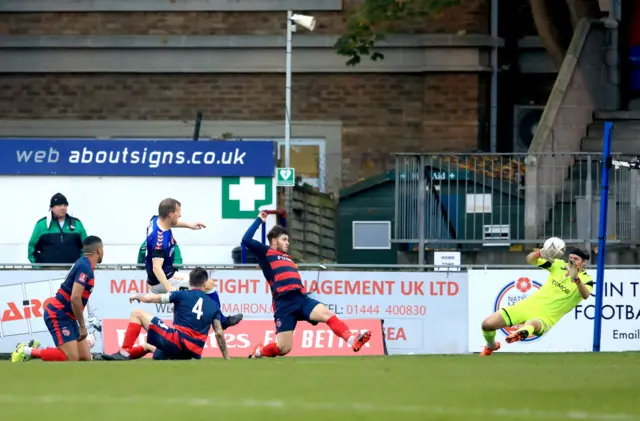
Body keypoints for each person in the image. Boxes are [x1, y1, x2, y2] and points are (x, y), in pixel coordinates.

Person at [243, 211, 371, 359]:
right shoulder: (266, 253)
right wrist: (260, 219)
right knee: (284, 348)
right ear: (274, 241)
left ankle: (352, 340)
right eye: (284, 239)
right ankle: (258, 352)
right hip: (284, 304)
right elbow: (246, 239)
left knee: (328, 314)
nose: (287, 242)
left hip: (301, 299)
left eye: (288, 240)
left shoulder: (288, 258)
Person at [479, 244, 594, 356]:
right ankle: (491, 346)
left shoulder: (586, 280)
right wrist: (540, 253)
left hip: (546, 317)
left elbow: (585, 295)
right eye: (571, 258)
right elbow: (530, 259)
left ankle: (521, 333)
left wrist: (576, 279)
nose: (572, 261)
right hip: (526, 306)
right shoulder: (558, 265)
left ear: (584, 262)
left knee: (532, 323)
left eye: (576, 259)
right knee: (487, 324)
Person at [144, 199, 243, 329]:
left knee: (181, 307)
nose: (180, 215)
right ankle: (222, 321)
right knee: (208, 284)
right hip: (162, 280)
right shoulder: (159, 240)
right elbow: (157, 268)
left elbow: (171, 223)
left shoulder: (156, 220)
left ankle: (180, 335)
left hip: (165, 275)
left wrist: (189, 225)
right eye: (178, 212)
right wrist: (169, 289)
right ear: (170, 214)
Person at [101, 267, 230, 361]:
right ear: (204, 283)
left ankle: (123, 353)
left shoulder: (181, 295)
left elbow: (152, 299)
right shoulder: (214, 305)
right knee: (149, 347)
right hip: (190, 353)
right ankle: (116, 356)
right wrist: (227, 357)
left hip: (176, 342)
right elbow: (219, 332)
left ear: (189, 282)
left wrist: (137, 296)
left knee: (137, 313)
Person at [12, 236, 104, 363]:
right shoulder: (85, 267)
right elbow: (75, 297)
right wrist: (83, 326)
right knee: (71, 358)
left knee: (85, 358)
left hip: (69, 317)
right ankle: (26, 350)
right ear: (99, 250)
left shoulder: (85, 264)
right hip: (58, 314)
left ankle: (37, 348)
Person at [28, 193, 88, 266]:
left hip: (73, 272)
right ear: (52, 208)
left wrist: (80, 265)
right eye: (59, 205)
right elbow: (31, 248)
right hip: (47, 271)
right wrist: (38, 268)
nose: (63, 208)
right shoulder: (42, 225)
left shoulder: (77, 224)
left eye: (65, 205)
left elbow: (87, 247)